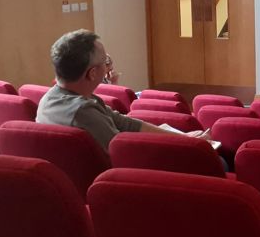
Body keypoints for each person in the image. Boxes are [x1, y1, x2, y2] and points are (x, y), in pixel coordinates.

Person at [36, 29, 205, 152]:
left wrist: (185, 138)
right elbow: (124, 150)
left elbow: (125, 123)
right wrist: (187, 145)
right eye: (105, 61)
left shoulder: (49, 98)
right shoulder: (82, 111)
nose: (108, 65)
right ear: (92, 73)